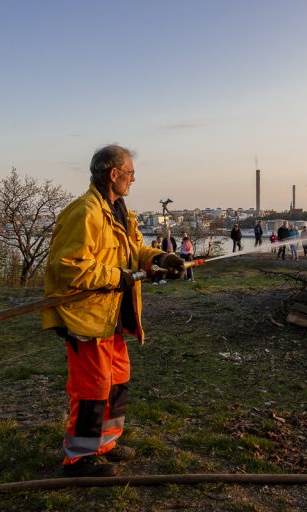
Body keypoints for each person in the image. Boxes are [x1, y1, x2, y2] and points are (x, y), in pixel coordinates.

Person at [42, 144, 185, 478]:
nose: (134, 180)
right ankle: (79, 458)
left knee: (117, 380)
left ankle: (104, 444)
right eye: (131, 173)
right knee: (92, 388)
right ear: (114, 174)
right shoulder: (85, 212)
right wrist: (116, 276)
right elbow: (68, 265)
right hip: (87, 317)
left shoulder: (119, 210)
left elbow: (134, 248)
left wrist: (161, 258)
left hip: (113, 318)